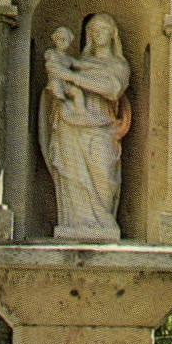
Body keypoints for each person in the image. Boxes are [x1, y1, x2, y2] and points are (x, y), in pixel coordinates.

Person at [37, 12, 133, 241]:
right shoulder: (79, 63)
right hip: (71, 126)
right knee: (73, 175)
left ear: (112, 34)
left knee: (103, 178)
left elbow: (112, 90)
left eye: (103, 29)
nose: (98, 33)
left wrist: (70, 76)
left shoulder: (119, 65)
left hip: (101, 126)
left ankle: (103, 223)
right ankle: (74, 223)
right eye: (93, 30)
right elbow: (58, 86)